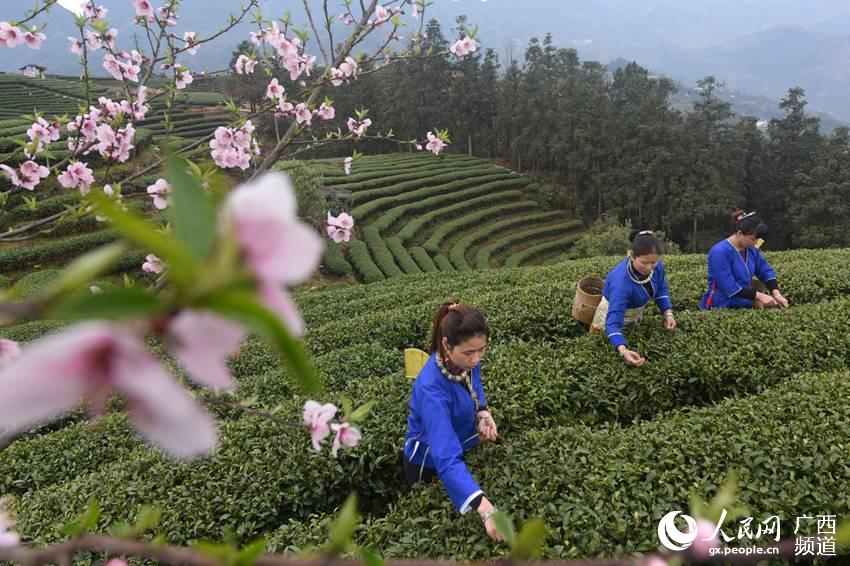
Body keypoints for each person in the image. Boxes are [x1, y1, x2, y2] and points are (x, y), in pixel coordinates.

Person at [403, 300, 503, 541]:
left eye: (482, 349)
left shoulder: (464, 361)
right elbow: (445, 456)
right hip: (426, 461)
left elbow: (475, 385)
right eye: (470, 352)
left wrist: (483, 412)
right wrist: (486, 509)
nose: (477, 359)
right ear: (446, 345)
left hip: (459, 439)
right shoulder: (431, 389)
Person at [590, 230, 676, 367]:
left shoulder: (656, 267)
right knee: (603, 348)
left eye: (653, 262)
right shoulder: (621, 283)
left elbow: (660, 288)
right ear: (632, 256)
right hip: (611, 316)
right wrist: (623, 350)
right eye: (644, 262)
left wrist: (668, 313)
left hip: (635, 313)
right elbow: (612, 323)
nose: (649, 267)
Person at [699, 210, 790, 311]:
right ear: (739, 234)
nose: (756, 243)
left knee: (778, 302)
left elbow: (765, 270)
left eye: (757, 239)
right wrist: (759, 296)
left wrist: (776, 294)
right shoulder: (720, 252)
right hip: (723, 301)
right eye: (752, 239)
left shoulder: (751, 250)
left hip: (746, 296)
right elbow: (729, 286)